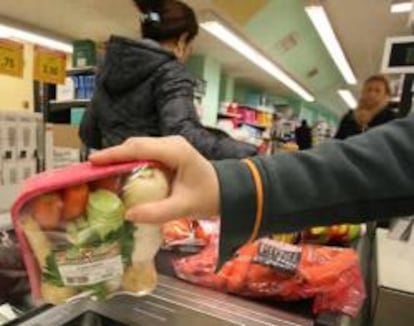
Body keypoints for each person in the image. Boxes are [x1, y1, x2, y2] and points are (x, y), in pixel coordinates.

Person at [90, 114, 414, 260]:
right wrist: (236, 168)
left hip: (121, 189)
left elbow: (396, 155)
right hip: (161, 188)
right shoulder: (171, 73)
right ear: (183, 42)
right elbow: (399, 154)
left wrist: (230, 180)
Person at [80, 0, 256, 160]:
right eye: (190, 45)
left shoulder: (109, 66)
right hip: (152, 180)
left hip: (108, 179)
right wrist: (246, 152)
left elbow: (88, 132)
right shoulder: (170, 71)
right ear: (182, 39)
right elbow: (182, 137)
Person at [335, 74, 396, 140]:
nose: (371, 94)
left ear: (386, 96)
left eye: (377, 91)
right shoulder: (349, 118)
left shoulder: (391, 119)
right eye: (369, 89)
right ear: (363, 92)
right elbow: (337, 142)